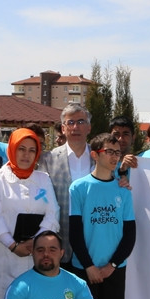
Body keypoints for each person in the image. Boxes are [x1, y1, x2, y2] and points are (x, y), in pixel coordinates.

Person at [69, 133, 136, 299]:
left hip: (114, 270)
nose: (115, 157)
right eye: (109, 151)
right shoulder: (79, 188)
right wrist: (89, 266)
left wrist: (112, 265)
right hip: (85, 270)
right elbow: (75, 233)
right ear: (95, 154)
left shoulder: (123, 190)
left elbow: (130, 235)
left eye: (117, 152)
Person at [0, 128, 59, 299]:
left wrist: (36, 243)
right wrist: (13, 245)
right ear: (12, 149)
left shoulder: (43, 178)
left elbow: (53, 213)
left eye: (32, 150)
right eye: (21, 149)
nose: (26, 155)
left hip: (35, 255)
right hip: (4, 257)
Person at [44, 103, 93, 268]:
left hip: (94, 243)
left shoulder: (100, 157)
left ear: (89, 127)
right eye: (70, 122)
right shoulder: (48, 159)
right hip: (61, 243)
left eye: (81, 122)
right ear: (63, 128)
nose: (75, 127)